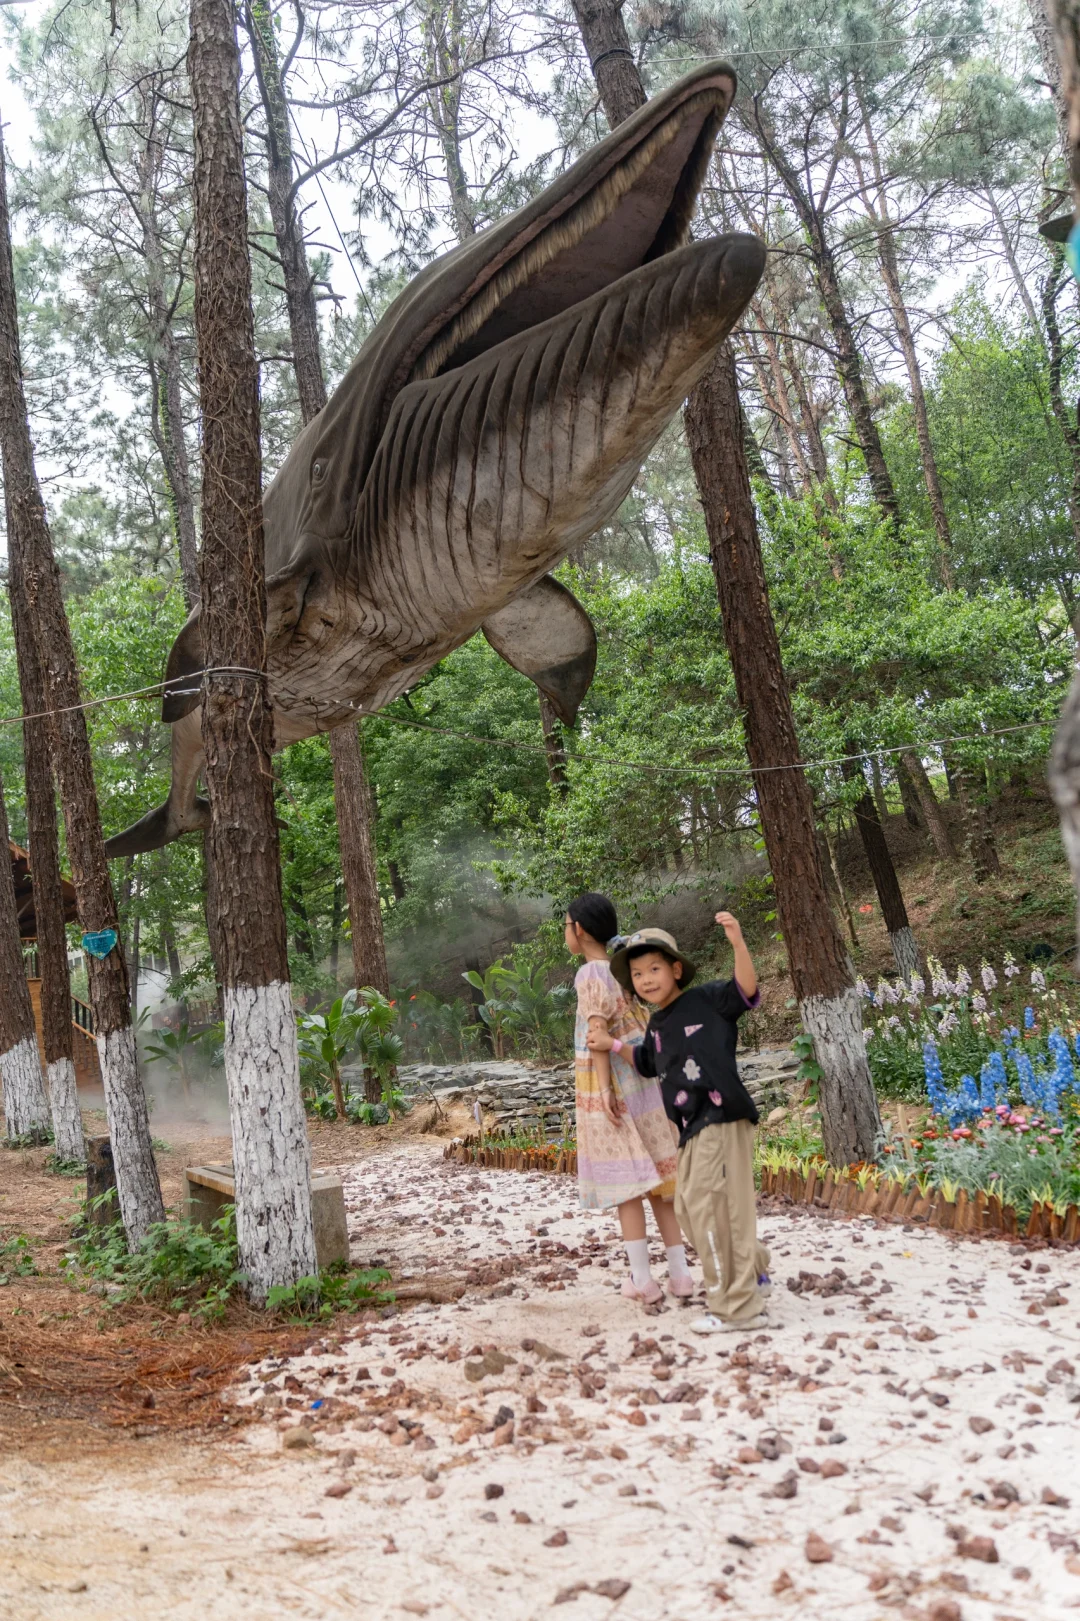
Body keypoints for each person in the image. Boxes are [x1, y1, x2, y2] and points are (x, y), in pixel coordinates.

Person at [588, 912, 771, 1334]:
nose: (646, 979)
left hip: (721, 1116)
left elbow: (745, 989)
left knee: (714, 1209)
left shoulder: (708, 999)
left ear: (675, 969)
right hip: (691, 1128)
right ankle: (754, 1270)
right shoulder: (657, 1024)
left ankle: (738, 1308)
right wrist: (613, 1045)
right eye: (637, 974)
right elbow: (648, 1062)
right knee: (689, 1206)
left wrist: (738, 943)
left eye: (654, 969)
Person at [565, 892, 692, 1304]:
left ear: (579, 930)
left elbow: (597, 1034)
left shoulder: (590, 974)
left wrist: (603, 1090)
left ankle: (642, 1280)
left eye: (566, 926)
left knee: (629, 1185)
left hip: (615, 1085)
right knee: (661, 1186)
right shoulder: (623, 969)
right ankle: (681, 1276)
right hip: (645, 1083)